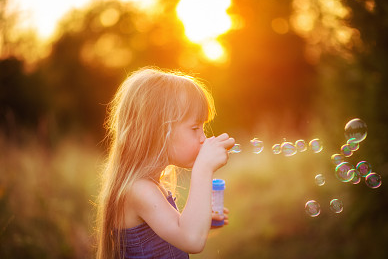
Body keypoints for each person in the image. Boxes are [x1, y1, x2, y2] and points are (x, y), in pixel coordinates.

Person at [96, 67, 235, 259]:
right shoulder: (138, 189)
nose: (204, 138)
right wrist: (203, 169)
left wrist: (201, 220)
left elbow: (180, 230)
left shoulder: (151, 184)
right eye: (195, 128)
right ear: (158, 131)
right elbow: (191, 240)